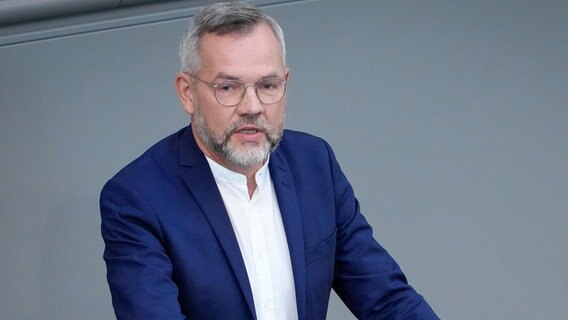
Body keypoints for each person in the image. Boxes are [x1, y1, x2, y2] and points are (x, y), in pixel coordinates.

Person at [100, 2, 439, 319]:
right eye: (228, 87)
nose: (252, 106)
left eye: (267, 85)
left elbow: (387, 300)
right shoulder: (137, 198)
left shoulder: (315, 164)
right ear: (188, 93)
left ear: (285, 83)